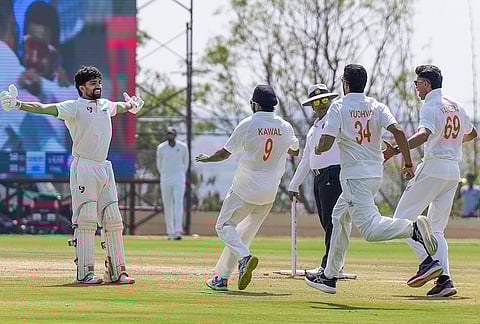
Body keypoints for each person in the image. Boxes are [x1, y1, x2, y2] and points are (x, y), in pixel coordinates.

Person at [0, 65, 143, 284]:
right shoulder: (73, 107)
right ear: (81, 87)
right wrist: (18, 104)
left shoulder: (105, 104)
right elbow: (44, 108)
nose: (98, 86)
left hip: (104, 167)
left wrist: (132, 105)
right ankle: (85, 272)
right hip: (83, 166)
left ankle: (117, 272)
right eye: (93, 83)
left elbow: (121, 107)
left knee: (113, 219)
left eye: (99, 82)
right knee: (86, 218)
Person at [304, 64, 439, 295]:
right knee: (339, 219)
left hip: (354, 177)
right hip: (374, 172)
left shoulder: (339, 107)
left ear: (345, 84)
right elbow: (398, 132)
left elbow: (325, 141)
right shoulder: (376, 106)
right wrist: (407, 163)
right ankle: (328, 275)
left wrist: (319, 147)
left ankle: (413, 229)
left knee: (369, 229)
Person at [385, 64, 477, 297]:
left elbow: (424, 135)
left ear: (426, 84)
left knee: (400, 219)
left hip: (434, 166)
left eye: (417, 83)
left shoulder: (431, 105)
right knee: (437, 230)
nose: (416, 87)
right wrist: (452, 142)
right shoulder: (455, 104)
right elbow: (473, 134)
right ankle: (445, 281)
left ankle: (428, 263)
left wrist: (398, 149)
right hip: (453, 171)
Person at [196, 84, 299, 291]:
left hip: (244, 190)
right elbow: (295, 150)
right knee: (241, 236)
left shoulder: (248, 124)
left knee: (223, 226)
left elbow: (225, 153)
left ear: (255, 104)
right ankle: (221, 278)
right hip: (269, 193)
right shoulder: (285, 126)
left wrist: (207, 159)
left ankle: (244, 259)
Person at [288, 83, 356, 279]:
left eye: (324, 100)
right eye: (316, 102)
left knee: (334, 222)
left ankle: (330, 266)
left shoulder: (335, 119)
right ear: (312, 106)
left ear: (330, 100)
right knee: (328, 222)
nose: (321, 105)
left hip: (334, 174)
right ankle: (334, 265)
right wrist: (294, 184)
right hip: (319, 177)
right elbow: (306, 158)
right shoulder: (314, 128)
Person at [156, 126, 189, 240]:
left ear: (175, 135)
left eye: (172, 134)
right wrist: (164, 174)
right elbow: (159, 164)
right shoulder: (161, 147)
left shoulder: (183, 147)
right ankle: (170, 232)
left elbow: (186, 162)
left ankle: (178, 231)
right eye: (168, 134)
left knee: (178, 203)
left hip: (179, 177)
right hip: (165, 178)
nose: (170, 136)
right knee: (167, 205)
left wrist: (180, 174)